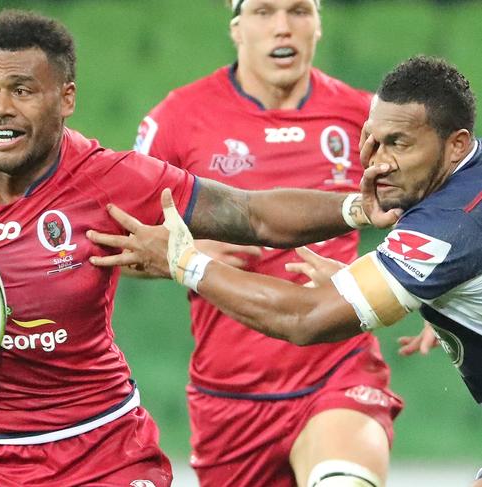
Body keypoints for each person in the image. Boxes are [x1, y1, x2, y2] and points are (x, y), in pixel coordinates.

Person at [0, 9, 396, 486]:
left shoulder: (110, 179)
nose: (0, 108)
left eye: (22, 90)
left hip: (100, 451)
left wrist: (357, 208)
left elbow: (251, 213)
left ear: (66, 98)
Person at [88, 55, 482, 485]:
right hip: (229, 403)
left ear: (457, 144)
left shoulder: (448, 226)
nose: (378, 162)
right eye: (373, 141)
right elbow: (253, 216)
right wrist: (444, 296)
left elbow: (305, 318)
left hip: (333, 375)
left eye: (399, 144)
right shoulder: (451, 193)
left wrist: (184, 262)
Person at [131, 0, 400, 485]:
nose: (283, 27)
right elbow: (120, 238)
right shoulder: (179, 118)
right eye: (263, 12)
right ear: (236, 28)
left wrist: (435, 300)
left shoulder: (365, 118)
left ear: (318, 25)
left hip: (337, 371)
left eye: (299, 11)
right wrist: (186, 254)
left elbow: (431, 219)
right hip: (230, 400)